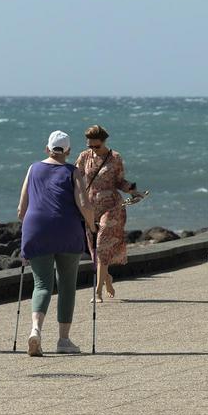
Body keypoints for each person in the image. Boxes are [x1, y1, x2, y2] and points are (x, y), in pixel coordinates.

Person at [18, 131, 97, 356]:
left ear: (47, 149)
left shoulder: (33, 169)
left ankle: (35, 329)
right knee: (66, 286)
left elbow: (21, 209)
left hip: (36, 230)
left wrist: (29, 229)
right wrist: (92, 226)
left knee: (42, 284)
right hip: (67, 231)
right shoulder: (72, 171)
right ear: (69, 151)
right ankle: (63, 340)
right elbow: (84, 204)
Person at [76, 125, 143, 302]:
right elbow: (75, 180)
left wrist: (133, 191)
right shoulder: (84, 157)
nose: (93, 150)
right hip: (90, 207)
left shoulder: (115, 158)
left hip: (112, 206)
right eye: (90, 146)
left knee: (102, 243)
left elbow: (119, 181)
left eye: (96, 146)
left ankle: (97, 292)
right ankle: (106, 279)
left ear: (104, 142)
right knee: (94, 249)